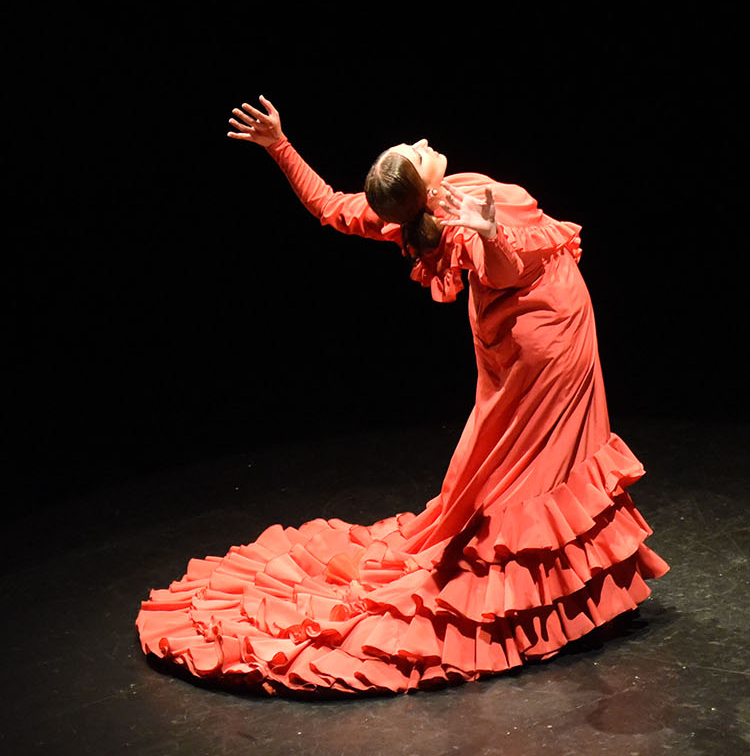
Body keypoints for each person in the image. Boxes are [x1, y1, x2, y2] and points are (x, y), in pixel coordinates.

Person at [135, 96, 670, 695]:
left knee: (520, 463)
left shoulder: (410, 216)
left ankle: (574, 591)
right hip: (547, 337)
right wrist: (491, 232)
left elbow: (330, 206)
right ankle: (548, 600)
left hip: (514, 342)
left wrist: (279, 145)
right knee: (542, 466)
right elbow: (505, 271)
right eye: (415, 152)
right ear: (425, 178)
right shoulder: (460, 214)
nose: (421, 142)